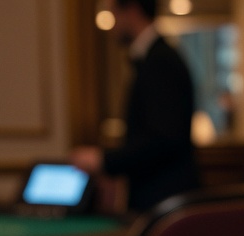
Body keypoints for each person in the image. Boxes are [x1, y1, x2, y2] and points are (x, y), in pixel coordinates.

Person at [70, 0, 200, 212]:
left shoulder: (160, 60)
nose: (112, 24)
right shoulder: (153, 57)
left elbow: (163, 140)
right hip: (159, 199)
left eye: (114, 14)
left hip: (165, 202)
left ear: (132, 11)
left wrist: (104, 160)